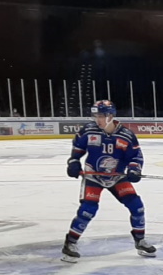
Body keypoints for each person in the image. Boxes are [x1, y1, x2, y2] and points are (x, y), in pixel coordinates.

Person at [60, 100, 155, 262]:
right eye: (96, 115)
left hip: (116, 177)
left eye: (102, 116)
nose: (98, 119)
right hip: (93, 176)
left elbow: (136, 157)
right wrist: (73, 163)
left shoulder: (126, 136)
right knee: (88, 210)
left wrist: (134, 170)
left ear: (111, 116)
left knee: (137, 207)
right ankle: (70, 243)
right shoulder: (88, 131)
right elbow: (77, 151)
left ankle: (140, 240)